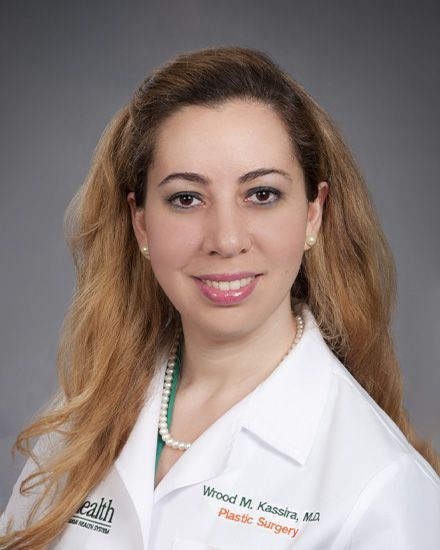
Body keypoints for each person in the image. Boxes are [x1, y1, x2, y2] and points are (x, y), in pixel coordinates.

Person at [0, 46, 439, 549]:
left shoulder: (383, 489)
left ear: (314, 214)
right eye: (186, 198)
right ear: (141, 221)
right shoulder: (77, 426)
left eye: (261, 194)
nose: (226, 239)